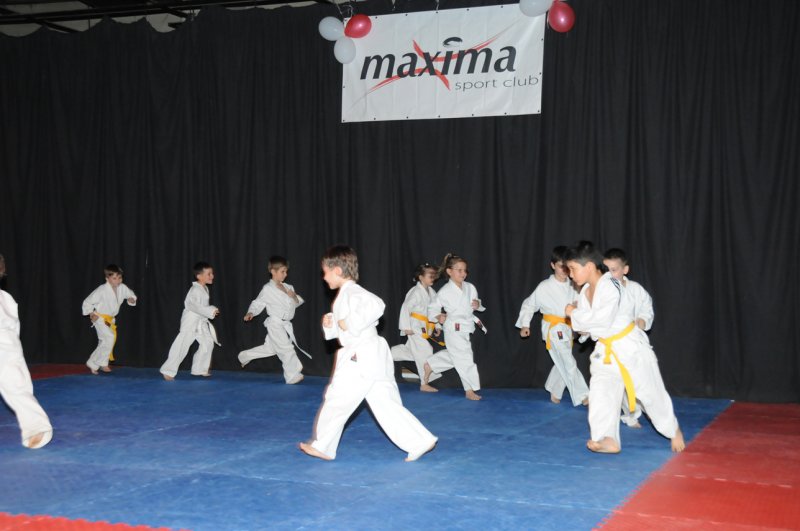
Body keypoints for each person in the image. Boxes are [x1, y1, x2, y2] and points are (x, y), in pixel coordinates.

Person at [299, 246, 437, 462]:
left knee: (337, 398)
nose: (323, 277)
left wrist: (347, 322)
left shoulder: (353, 292)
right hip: (371, 352)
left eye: (325, 272)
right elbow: (348, 326)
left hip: (360, 354)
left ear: (337, 270)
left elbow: (376, 305)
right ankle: (419, 441)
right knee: (385, 403)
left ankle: (323, 445)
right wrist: (331, 325)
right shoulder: (346, 295)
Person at [564, 241, 684, 454]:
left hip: (630, 347)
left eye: (572, 269)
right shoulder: (585, 292)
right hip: (605, 350)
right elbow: (588, 328)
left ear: (589, 266)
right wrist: (580, 324)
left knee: (650, 394)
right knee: (601, 393)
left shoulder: (612, 285)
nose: (570, 275)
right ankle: (607, 438)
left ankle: (672, 429)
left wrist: (574, 313)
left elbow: (602, 320)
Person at [516, 246, 589, 406]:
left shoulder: (573, 285)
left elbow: (581, 306)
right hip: (553, 328)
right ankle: (584, 395)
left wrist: (582, 324)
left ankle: (554, 389)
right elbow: (529, 304)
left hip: (568, 327)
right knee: (567, 360)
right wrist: (525, 325)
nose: (564, 270)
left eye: (567, 267)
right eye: (560, 266)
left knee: (562, 359)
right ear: (552, 265)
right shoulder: (544, 287)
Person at [0, 254, 53, 449]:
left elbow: (13, 330)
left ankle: (36, 427)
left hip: (4, 345)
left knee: (16, 385)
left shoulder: (5, 300)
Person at [603, 248, 654, 428]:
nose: (610, 274)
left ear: (625, 269)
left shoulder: (636, 290)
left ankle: (652, 411)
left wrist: (643, 320)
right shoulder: (602, 291)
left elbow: (646, 308)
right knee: (620, 382)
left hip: (632, 341)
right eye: (606, 269)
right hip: (611, 344)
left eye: (614, 269)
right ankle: (630, 414)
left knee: (640, 380)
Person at [423, 254, 486, 401]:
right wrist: (438, 316)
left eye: (465, 270)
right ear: (449, 271)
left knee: (456, 356)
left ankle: (431, 365)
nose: (463, 273)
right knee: (465, 358)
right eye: (459, 270)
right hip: (453, 329)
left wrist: (478, 305)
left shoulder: (470, 287)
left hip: (466, 327)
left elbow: (477, 303)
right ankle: (469, 389)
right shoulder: (445, 291)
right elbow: (432, 308)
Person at [238, 256, 309, 384]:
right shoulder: (267, 289)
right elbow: (258, 303)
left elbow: (295, 304)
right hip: (275, 323)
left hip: (284, 324)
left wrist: (294, 297)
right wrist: (251, 312)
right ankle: (292, 375)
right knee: (286, 348)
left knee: (270, 349)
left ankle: (244, 356)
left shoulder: (289, 287)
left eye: (286, 271)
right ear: (273, 271)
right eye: (282, 271)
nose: (285, 274)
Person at [390, 263, 446, 392]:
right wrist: (406, 327)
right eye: (430, 276)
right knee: (425, 350)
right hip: (414, 326)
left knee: (412, 352)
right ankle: (424, 383)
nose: (433, 278)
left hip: (425, 326)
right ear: (421, 277)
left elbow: (434, 310)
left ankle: (386, 354)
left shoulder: (432, 292)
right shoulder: (415, 292)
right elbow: (405, 308)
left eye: (434, 276)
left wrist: (437, 325)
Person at [160, 262, 220, 380]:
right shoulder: (195, 290)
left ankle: (200, 369)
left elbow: (201, 307)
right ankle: (168, 370)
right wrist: (210, 310)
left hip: (201, 322)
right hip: (191, 322)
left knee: (208, 343)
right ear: (199, 276)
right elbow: (192, 305)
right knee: (181, 346)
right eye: (209, 274)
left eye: (212, 273)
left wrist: (209, 311)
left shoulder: (204, 288)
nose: (212, 276)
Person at [81, 264, 137, 375]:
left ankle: (92, 363)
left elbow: (131, 295)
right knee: (109, 337)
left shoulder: (122, 288)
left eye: (119, 277)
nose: (118, 280)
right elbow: (87, 302)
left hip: (110, 320)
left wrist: (132, 299)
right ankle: (102, 363)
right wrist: (91, 313)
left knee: (105, 341)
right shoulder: (101, 290)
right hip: (100, 318)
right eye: (114, 278)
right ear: (107, 278)